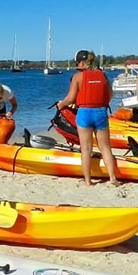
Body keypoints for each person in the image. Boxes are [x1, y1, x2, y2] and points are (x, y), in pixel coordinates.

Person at [56, 50, 119, 186]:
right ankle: (112, 178)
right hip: (101, 113)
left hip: (84, 113)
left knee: (86, 149)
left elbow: (71, 98)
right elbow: (110, 95)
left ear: (82, 63)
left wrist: (61, 104)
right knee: (105, 147)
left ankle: (88, 181)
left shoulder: (78, 76)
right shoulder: (103, 75)